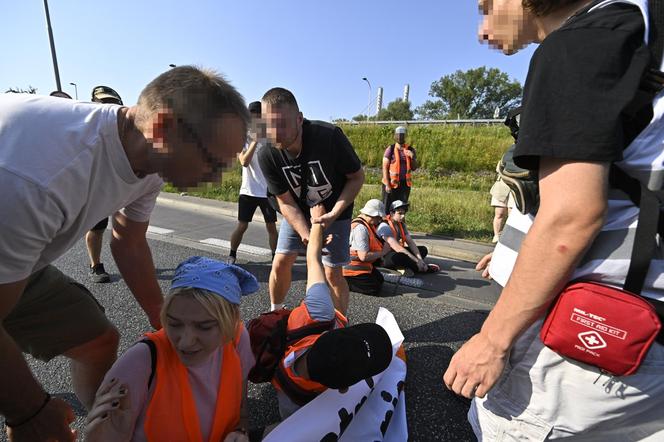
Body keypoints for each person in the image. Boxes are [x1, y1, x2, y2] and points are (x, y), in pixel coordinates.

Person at [444, 0, 664, 439]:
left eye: (487, 8)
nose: (482, 31)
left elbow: (571, 216)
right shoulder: (643, 31)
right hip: (641, 328)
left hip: (583, 332)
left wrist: (492, 340)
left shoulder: (579, 44)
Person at [0, 65, 248, 441]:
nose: (216, 178)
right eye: (212, 162)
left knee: (98, 339)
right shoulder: (41, 180)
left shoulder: (150, 161)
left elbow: (128, 241)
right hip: (11, 218)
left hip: (18, 255)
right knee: (33, 417)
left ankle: (107, 429)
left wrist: (166, 326)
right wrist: (31, 412)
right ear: (163, 128)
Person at [84, 257, 257, 442]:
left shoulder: (238, 339)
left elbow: (241, 412)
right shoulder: (140, 362)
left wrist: (240, 431)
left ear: (231, 321)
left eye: (204, 326)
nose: (185, 343)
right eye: (174, 324)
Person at [271, 209, 392, 420]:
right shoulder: (332, 400)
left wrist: (317, 221)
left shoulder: (319, 313)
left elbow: (313, 260)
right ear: (343, 389)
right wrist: (319, 221)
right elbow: (315, 260)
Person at [257, 87, 365, 315]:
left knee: (332, 273)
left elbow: (356, 177)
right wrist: (307, 234)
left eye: (282, 124)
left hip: (335, 209)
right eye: (269, 124)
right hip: (297, 210)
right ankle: (275, 312)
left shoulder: (328, 137)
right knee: (281, 261)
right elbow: (285, 202)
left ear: (299, 118)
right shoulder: (267, 153)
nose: (275, 132)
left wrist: (333, 214)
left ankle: (339, 325)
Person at [228, 101, 278, 264]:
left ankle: (274, 258)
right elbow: (244, 161)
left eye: (258, 118)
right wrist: (255, 141)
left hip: (267, 192)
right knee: (242, 226)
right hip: (248, 191)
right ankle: (232, 255)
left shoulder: (270, 138)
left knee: (271, 227)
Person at [86, 86, 125, 283]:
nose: (108, 106)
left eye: (111, 102)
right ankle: (96, 265)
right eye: (103, 102)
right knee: (98, 228)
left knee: (129, 227)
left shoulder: (121, 125)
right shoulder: (88, 126)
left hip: (120, 185)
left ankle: (128, 259)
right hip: (97, 186)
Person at [342, 199, 391, 296]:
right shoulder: (361, 229)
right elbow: (363, 256)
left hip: (360, 266)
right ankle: (343, 282)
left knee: (379, 280)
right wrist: (383, 252)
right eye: (379, 218)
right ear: (374, 215)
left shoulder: (366, 224)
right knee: (373, 289)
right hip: (350, 269)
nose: (379, 220)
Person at [377, 200, 438, 275]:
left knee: (423, 250)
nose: (403, 216)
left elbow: (410, 242)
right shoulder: (385, 225)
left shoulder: (401, 224)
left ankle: (406, 267)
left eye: (404, 213)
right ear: (392, 213)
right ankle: (420, 268)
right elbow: (397, 248)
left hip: (396, 252)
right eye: (400, 213)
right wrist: (416, 260)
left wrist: (420, 259)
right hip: (384, 256)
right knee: (401, 257)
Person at [382, 126, 417, 210]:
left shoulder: (410, 149)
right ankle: (386, 222)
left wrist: (412, 157)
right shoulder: (390, 149)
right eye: (398, 135)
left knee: (401, 207)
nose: (400, 137)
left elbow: (414, 168)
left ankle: (399, 223)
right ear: (395, 136)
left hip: (405, 185)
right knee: (387, 207)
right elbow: (385, 167)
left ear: (405, 136)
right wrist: (387, 184)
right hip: (391, 183)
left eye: (402, 135)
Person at [489, 172, 514, 243]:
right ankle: (497, 236)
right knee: (499, 213)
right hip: (502, 184)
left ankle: (510, 238)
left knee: (512, 215)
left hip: (517, 186)